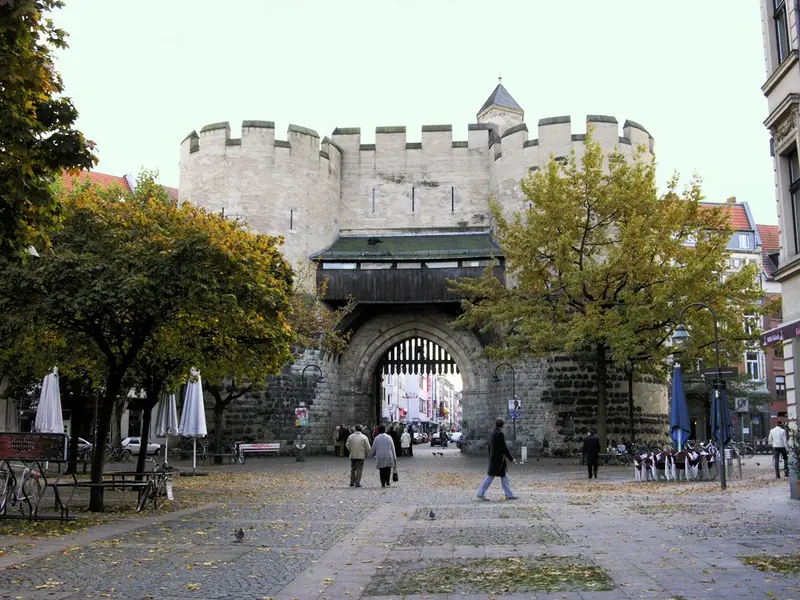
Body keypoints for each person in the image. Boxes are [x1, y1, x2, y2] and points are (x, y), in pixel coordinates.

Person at [477, 418, 518, 501]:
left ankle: (509, 494)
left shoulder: (492, 433)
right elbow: (504, 448)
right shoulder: (500, 434)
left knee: (504, 476)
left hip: (495, 459)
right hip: (498, 460)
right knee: (490, 477)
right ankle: (480, 493)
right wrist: (511, 459)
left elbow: (489, 447)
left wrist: (490, 456)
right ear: (502, 425)